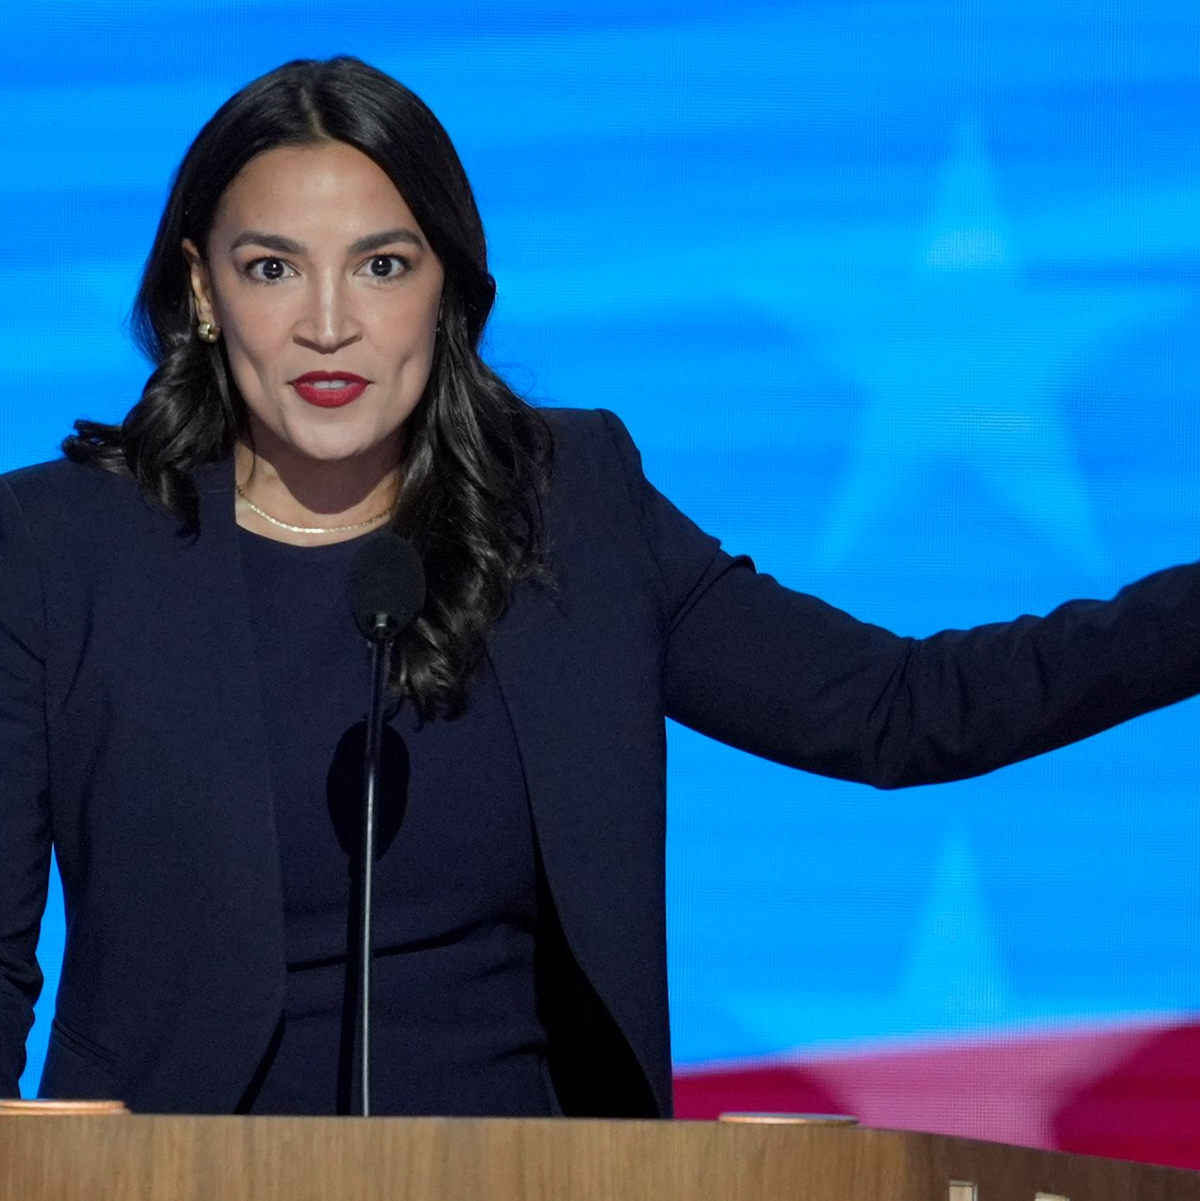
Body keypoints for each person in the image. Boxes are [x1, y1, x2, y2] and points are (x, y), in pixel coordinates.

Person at [1, 56, 1197, 1119]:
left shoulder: (568, 508)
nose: (327, 324)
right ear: (201, 291)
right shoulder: (59, 546)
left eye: (382, 264)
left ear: (451, 295)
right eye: (272, 267)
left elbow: (900, 707)